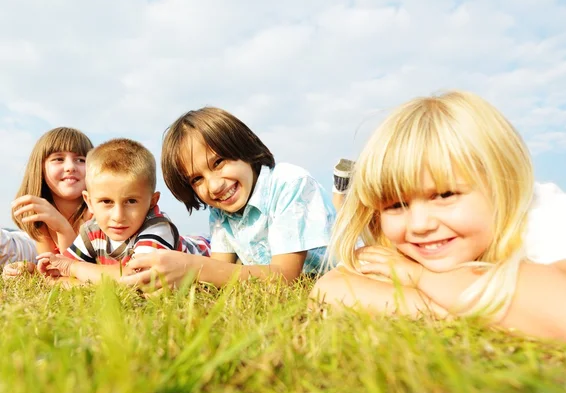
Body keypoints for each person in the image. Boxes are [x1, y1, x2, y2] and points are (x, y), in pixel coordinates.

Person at [312, 91, 566, 347]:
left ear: (506, 186)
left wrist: (419, 277)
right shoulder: (405, 240)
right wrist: (464, 312)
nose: (419, 225)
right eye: (396, 204)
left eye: (446, 195)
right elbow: (330, 290)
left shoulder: (544, 216)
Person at [120, 107, 335, 289]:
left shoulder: (290, 183)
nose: (214, 186)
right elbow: (220, 271)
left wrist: (191, 266)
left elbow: (286, 276)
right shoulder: (221, 212)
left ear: (243, 146)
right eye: (197, 179)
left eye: (218, 162)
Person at [36, 138, 210, 284]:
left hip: (205, 248)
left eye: (131, 201)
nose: (118, 216)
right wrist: (42, 268)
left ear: (152, 202)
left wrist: (73, 268)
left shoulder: (157, 227)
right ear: (89, 202)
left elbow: (137, 278)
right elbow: (64, 268)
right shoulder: (92, 230)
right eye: (106, 201)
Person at [2, 127, 93, 278]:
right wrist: (28, 268)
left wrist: (62, 228)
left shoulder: (98, 214)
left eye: (81, 160)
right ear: (40, 168)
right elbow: (51, 271)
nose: (70, 167)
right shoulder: (42, 218)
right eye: (58, 159)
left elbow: (74, 270)